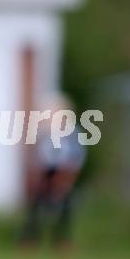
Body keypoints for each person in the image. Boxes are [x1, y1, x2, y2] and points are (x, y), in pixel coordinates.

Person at [19, 93, 86, 250]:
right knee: (34, 206)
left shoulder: (72, 133)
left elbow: (76, 157)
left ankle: (62, 242)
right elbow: (37, 157)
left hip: (64, 173)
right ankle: (30, 241)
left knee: (65, 207)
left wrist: (64, 180)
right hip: (45, 174)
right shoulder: (44, 133)